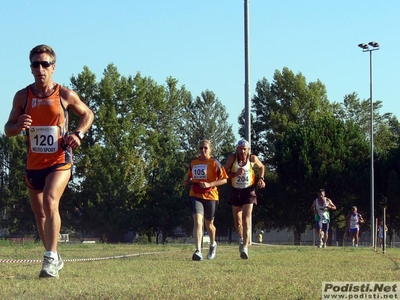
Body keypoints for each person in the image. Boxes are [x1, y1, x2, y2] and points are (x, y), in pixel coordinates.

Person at [4, 45, 94, 278]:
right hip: (34, 163)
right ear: (31, 68)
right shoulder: (23, 96)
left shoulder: (64, 94)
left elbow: (88, 114)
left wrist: (78, 134)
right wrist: (18, 125)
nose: (40, 68)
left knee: (51, 201)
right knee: (39, 213)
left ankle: (49, 260)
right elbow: (8, 129)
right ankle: (53, 253)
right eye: (36, 64)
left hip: (59, 159)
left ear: (53, 67)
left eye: (45, 64)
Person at [183, 140, 228, 261]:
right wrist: (187, 180)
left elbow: (224, 180)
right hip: (195, 194)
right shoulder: (193, 163)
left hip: (211, 196)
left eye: (205, 148)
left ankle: (213, 244)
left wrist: (210, 184)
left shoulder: (214, 163)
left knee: (209, 224)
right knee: (198, 221)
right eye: (201, 148)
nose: (203, 150)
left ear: (210, 149)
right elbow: (190, 175)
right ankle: (198, 251)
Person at [224, 139, 266, 259]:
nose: (242, 151)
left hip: (249, 190)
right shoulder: (232, 158)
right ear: (237, 149)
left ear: (248, 150)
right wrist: (235, 174)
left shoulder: (252, 158)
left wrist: (261, 178)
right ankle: (241, 240)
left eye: (245, 149)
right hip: (235, 190)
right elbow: (223, 172)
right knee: (238, 222)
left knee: (246, 218)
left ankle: (245, 248)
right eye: (240, 148)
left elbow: (261, 166)